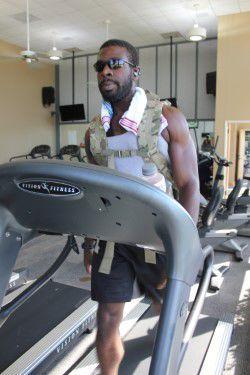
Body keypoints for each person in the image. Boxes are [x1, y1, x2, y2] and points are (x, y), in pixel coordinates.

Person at [82, 39, 200, 375]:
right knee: (106, 316)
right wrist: (90, 241)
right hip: (113, 235)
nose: (106, 70)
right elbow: (95, 191)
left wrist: (184, 246)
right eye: (100, 66)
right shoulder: (93, 133)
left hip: (157, 233)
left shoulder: (166, 119)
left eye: (115, 64)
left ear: (135, 71)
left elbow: (190, 184)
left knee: (166, 308)